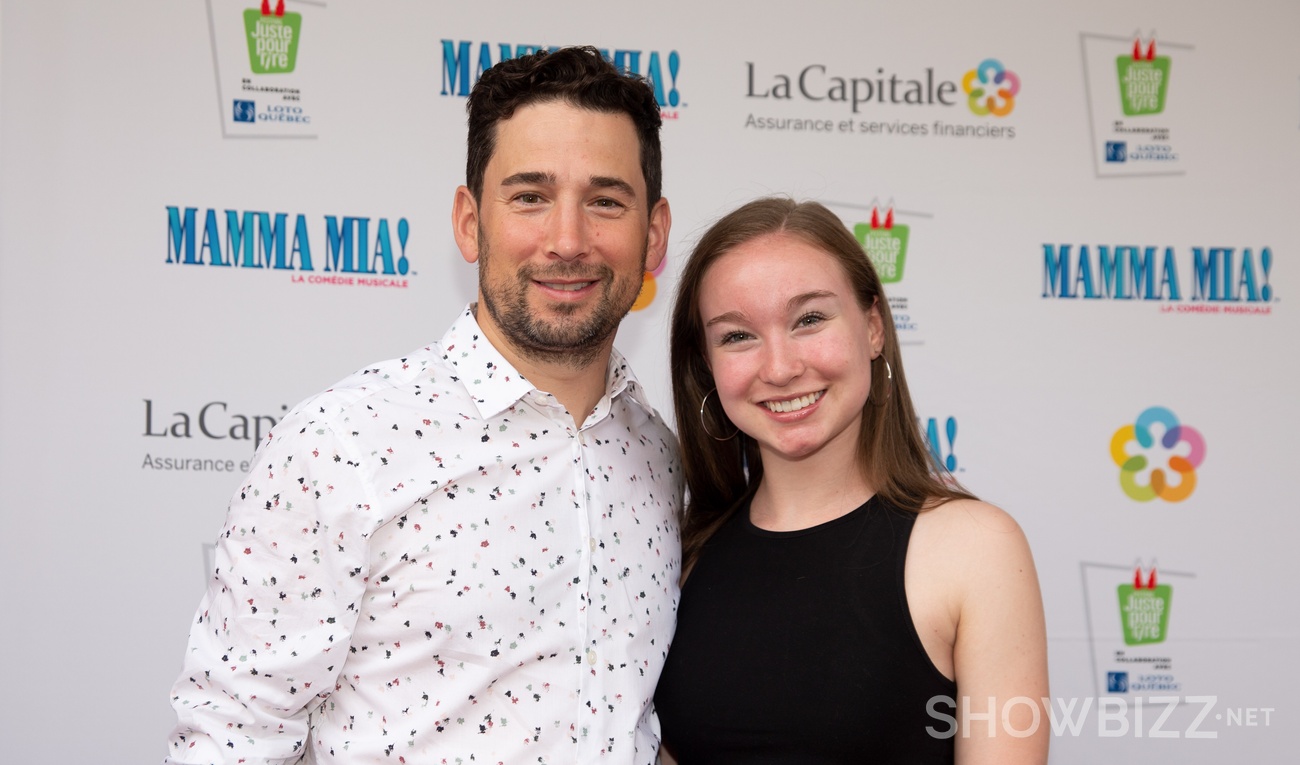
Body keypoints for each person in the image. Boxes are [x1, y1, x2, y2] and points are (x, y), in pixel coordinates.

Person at [165, 47, 681, 765]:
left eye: (605, 201)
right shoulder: (342, 445)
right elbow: (230, 738)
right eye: (530, 196)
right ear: (470, 222)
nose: (568, 240)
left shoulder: (657, 457)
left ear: (652, 234)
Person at [654, 198, 1048, 764]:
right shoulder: (683, 557)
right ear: (706, 366)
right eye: (737, 336)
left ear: (872, 327)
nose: (781, 367)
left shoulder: (975, 549)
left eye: (809, 319)